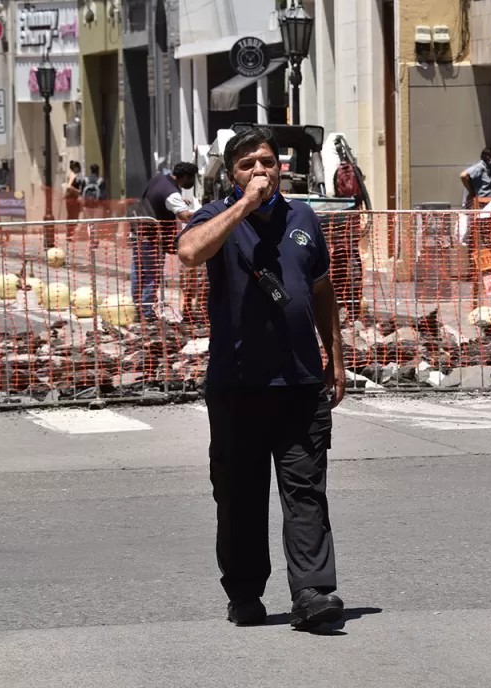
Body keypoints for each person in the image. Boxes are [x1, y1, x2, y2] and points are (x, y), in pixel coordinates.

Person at [175, 125, 347, 632]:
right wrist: (243, 208)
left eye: (268, 162)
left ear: (281, 167)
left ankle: (313, 593)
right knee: (239, 497)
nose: (260, 172)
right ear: (232, 173)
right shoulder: (219, 216)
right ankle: (244, 593)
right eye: (248, 164)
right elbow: (189, 252)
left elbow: (320, 290)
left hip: (299, 384)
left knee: (306, 491)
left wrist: (334, 357)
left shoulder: (304, 219)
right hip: (238, 387)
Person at [132, 162, 198, 321]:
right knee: (152, 275)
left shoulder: (159, 179)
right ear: (185, 177)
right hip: (152, 239)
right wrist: (205, 213)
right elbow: (184, 216)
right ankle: (146, 313)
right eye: (192, 178)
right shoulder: (171, 192)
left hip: (138, 233)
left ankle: (136, 308)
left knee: (138, 273)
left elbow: (157, 198)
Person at [64, 161, 85, 240]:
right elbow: (69, 186)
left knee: (72, 217)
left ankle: (70, 234)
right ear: (75, 168)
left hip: (72, 199)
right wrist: (78, 192)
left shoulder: (73, 175)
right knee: (72, 217)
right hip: (72, 199)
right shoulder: (73, 175)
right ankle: (70, 234)